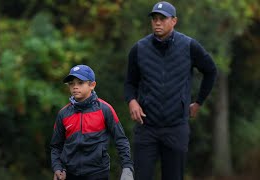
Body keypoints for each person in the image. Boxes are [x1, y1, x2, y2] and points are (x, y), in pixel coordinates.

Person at [124, 1, 217, 180]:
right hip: (146, 128)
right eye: (154, 19)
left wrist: (199, 102)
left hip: (176, 128)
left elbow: (211, 70)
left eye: (162, 19)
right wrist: (132, 101)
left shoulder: (189, 46)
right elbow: (129, 83)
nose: (157, 22)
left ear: (174, 21)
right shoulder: (139, 49)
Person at [50, 65, 134, 180]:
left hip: (98, 173)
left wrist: (127, 168)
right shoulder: (63, 114)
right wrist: (57, 167)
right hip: (70, 174)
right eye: (71, 83)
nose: (75, 87)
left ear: (92, 85)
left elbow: (121, 140)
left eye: (80, 83)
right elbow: (56, 146)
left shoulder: (105, 109)